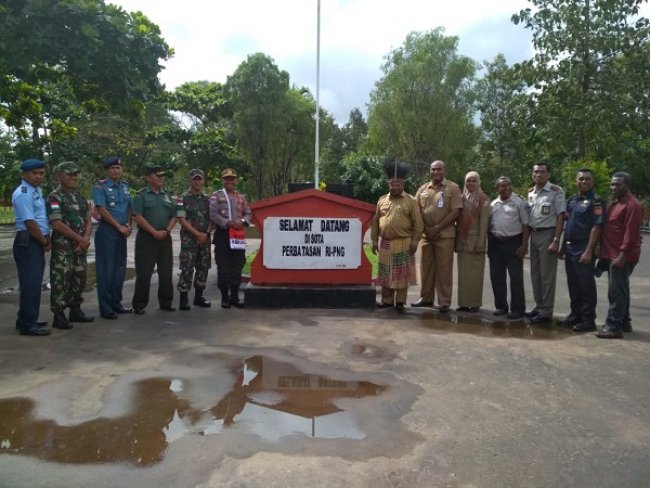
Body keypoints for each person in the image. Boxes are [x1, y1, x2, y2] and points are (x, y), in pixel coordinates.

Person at [46, 161, 94, 329]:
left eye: (75, 174)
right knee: (61, 280)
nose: (73, 177)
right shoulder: (54, 197)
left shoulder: (80, 196)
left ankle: (75, 310)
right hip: (63, 248)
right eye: (69, 174)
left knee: (79, 278)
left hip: (81, 246)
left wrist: (86, 238)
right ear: (59, 175)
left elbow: (88, 219)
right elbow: (57, 224)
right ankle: (58, 315)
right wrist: (79, 239)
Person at [371, 159, 423, 311]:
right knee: (386, 273)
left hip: (404, 242)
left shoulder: (411, 201)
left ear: (403, 184)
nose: (395, 187)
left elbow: (418, 224)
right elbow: (375, 222)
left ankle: (400, 302)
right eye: (392, 184)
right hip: (386, 242)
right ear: (388, 184)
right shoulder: (381, 201)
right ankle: (387, 301)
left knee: (401, 274)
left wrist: (414, 242)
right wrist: (374, 240)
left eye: (398, 184)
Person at [596, 172, 643, 339]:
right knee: (622, 289)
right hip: (611, 253)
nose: (613, 187)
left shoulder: (632, 205)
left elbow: (631, 233)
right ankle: (624, 321)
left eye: (618, 185)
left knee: (615, 292)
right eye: (612, 184)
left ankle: (613, 326)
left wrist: (622, 255)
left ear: (627, 185)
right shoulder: (614, 202)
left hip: (622, 255)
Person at [412, 160, 462, 312]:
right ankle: (426, 298)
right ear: (430, 171)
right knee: (426, 269)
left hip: (444, 236)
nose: (436, 172)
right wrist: (427, 229)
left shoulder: (453, 188)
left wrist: (437, 227)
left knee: (444, 270)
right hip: (426, 236)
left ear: (444, 170)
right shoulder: (423, 189)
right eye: (433, 169)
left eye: (439, 169)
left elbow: (456, 211)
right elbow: (416, 210)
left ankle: (444, 301)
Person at [559, 169, 605, 333]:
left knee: (586, 286)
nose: (584, 182)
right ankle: (575, 315)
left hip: (584, 247)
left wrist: (589, 250)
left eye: (587, 179)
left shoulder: (597, 201)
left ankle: (588, 320)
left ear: (592, 182)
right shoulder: (572, 200)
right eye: (581, 179)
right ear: (575, 181)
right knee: (573, 284)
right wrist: (563, 247)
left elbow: (597, 226)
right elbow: (568, 225)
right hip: (570, 247)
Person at [12, 158, 51, 336]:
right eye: (34, 173)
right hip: (28, 240)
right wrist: (44, 241)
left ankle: (25, 318)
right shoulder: (23, 193)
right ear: (23, 174)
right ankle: (28, 324)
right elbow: (30, 222)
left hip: (35, 239)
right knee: (31, 284)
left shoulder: (36, 191)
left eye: (41, 173)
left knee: (33, 283)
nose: (38, 176)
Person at [131, 164, 177, 314]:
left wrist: (167, 230)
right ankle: (139, 304)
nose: (162, 178)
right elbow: (138, 216)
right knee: (144, 272)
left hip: (165, 238)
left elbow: (174, 216)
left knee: (166, 272)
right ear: (148, 178)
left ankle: (166, 302)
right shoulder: (141, 195)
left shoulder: (168, 196)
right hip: (147, 239)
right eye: (158, 176)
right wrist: (153, 232)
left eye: (163, 175)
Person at [92, 156, 133, 320]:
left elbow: (129, 207)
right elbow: (102, 210)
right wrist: (119, 227)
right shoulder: (100, 187)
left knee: (119, 270)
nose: (116, 171)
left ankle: (117, 303)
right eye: (112, 168)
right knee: (106, 271)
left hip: (122, 231)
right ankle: (106, 307)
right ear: (107, 171)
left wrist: (128, 226)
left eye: (118, 168)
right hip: (108, 232)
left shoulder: (125, 186)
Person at [526, 162, 566, 324]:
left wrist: (556, 240)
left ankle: (546, 311)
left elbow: (560, 216)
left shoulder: (556, 192)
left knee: (547, 276)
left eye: (542, 172)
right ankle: (539, 306)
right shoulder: (531, 193)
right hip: (534, 235)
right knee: (535, 274)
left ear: (548, 174)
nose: (538, 175)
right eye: (536, 172)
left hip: (548, 235)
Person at [209, 168, 252, 309]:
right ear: (223, 180)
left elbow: (248, 213)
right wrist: (228, 223)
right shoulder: (216, 196)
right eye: (227, 179)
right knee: (223, 267)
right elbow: (213, 215)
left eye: (232, 179)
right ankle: (224, 298)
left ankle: (234, 297)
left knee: (237, 266)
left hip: (238, 235)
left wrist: (243, 222)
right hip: (223, 234)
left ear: (236, 181)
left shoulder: (241, 197)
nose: (230, 181)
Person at [488, 176, 530, 319]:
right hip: (495, 243)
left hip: (513, 243)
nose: (505, 188)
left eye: (508, 185)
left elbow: (526, 226)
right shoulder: (493, 204)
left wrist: (524, 245)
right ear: (497, 189)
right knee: (497, 277)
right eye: (502, 186)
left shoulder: (520, 203)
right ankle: (501, 306)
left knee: (516, 278)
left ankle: (518, 309)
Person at [176, 168, 213, 310]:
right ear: (189, 180)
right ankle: (183, 299)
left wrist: (206, 234)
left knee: (203, 267)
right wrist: (197, 234)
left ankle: (199, 297)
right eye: (194, 179)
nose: (197, 181)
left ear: (203, 181)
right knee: (187, 268)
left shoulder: (207, 199)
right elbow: (181, 219)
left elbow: (212, 218)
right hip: (189, 239)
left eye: (199, 179)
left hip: (205, 239)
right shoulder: (183, 198)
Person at [455, 171, 490, 312]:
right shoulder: (462, 198)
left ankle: (474, 304)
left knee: (476, 274)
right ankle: (463, 303)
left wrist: (481, 242)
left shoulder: (483, 199)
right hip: (463, 242)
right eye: (468, 181)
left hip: (476, 242)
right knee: (463, 275)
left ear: (479, 182)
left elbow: (484, 223)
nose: (471, 183)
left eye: (474, 181)